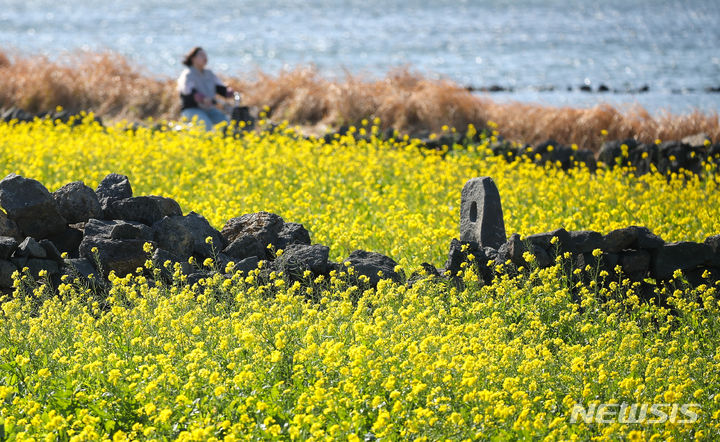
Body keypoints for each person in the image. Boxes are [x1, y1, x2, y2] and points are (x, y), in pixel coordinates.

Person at [177, 47, 235, 130]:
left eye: (205, 55)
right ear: (193, 59)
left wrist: (229, 92)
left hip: (209, 109)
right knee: (205, 124)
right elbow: (188, 92)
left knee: (226, 123)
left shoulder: (209, 73)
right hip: (192, 109)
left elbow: (220, 88)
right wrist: (201, 98)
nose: (205, 58)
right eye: (201, 55)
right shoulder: (187, 74)